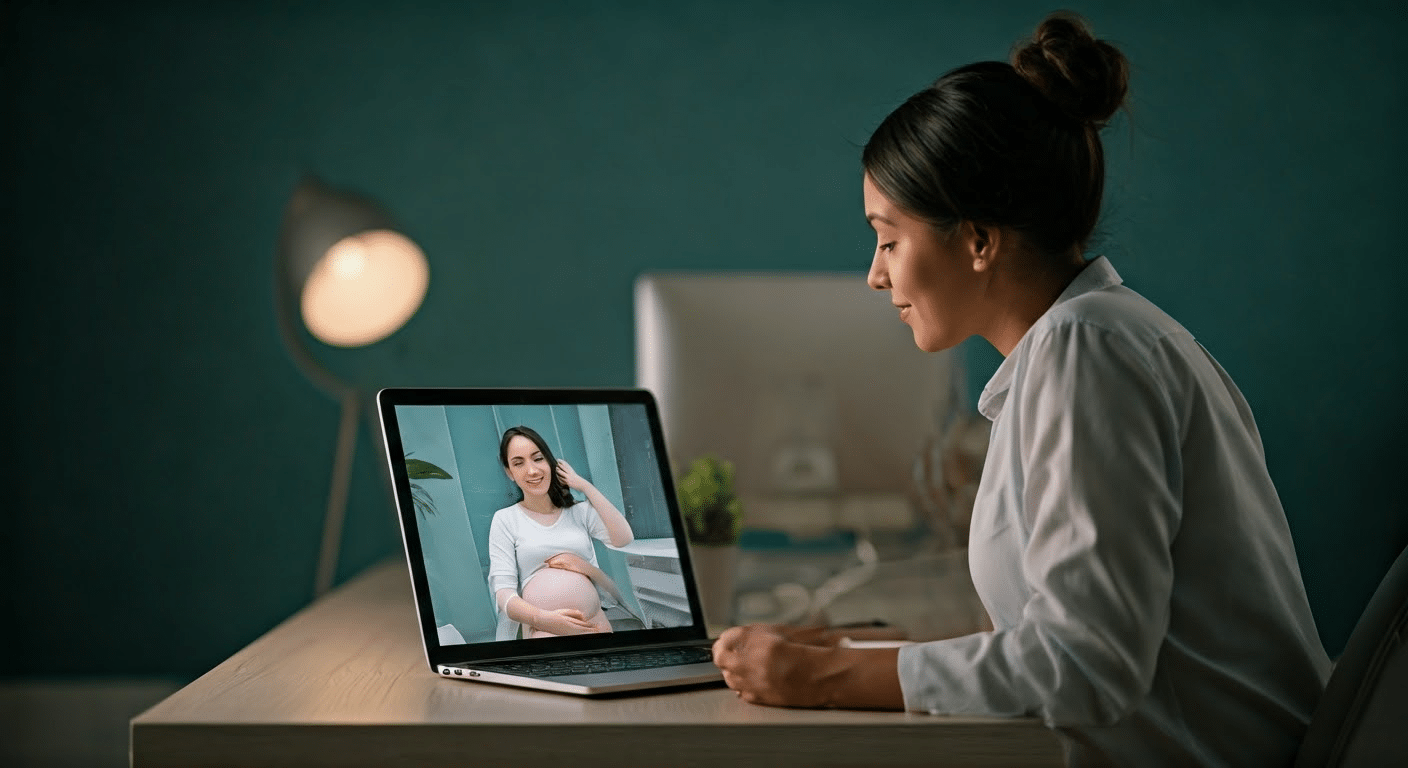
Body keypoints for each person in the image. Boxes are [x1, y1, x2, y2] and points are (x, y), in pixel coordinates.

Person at [711, 12, 1330, 767]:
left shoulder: (1088, 350)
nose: (875, 274)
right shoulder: (1091, 342)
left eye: (889, 238)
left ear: (977, 239)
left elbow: (1087, 666)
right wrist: (860, 650)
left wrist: (827, 674)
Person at [487, 425, 636, 639]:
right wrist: (543, 619)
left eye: (538, 459)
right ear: (510, 473)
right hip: (544, 630)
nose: (532, 470)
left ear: (550, 462)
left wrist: (584, 486)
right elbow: (503, 593)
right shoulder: (505, 519)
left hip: (594, 625)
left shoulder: (579, 511)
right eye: (518, 463)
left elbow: (624, 538)